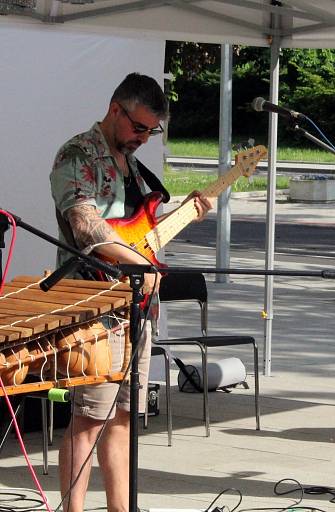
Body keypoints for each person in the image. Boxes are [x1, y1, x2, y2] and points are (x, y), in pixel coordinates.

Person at [50, 72, 211, 512]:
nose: (143, 137)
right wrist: (141, 263)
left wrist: (183, 215)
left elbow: (142, 236)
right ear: (114, 109)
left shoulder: (135, 168)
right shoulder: (78, 155)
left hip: (138, 308)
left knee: (123, 418)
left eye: (152, 131)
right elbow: (86, 225)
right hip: (95, 304)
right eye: (138, 127)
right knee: (88, 419)